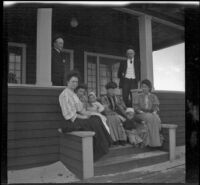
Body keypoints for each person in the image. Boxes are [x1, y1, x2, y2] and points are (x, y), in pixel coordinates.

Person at [58, 70, 112, 161]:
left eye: (76, 82)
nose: (75, 83)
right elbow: (69, 115)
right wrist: (84, 117)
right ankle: (98, 152)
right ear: (68, 82)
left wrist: (93, 113)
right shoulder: (64, 95)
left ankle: (104, 145)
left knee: (96, 118)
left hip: (78, 118)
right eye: (73, 81)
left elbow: (81, 110)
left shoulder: (73, 94)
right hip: (70, 121)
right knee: (93, 122)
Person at [132, 79, 163, 147]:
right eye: (142, 86)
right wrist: (142, 112)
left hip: (150, 114)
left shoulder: (153, 96)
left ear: (149, 87)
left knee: (157, 118)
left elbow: (156, 107)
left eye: (146, 87)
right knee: (149, 117)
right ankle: (154, 142)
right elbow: (135, 108)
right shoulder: (137, 96)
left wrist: (154, 112)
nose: (144, 88)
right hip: (139, 114)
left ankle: (154, 142)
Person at [101, 81, 127, 146]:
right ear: (107, 90)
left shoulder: (116, 97)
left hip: (116, 114)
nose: (112, 91)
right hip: (107, 114)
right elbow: (105, 108)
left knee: (118, 119)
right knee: (113, 119)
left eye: (113, 89)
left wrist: (125, 114)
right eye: (110, 89)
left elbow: (121, 106)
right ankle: (114, 139)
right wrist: (115, 113)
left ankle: (122, 139)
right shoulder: (104, 98)